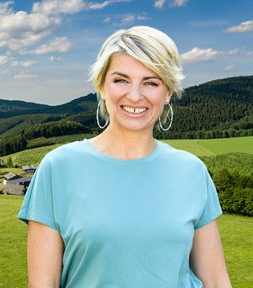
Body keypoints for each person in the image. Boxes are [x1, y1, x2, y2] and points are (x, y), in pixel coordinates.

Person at [17, 26, 232, 288]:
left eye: (150, 82)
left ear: (168, 93)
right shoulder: (58, 168)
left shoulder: (192, 171)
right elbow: (43, 284)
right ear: (102, 87)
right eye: (121, 80)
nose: (134, 95)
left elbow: (216, 280)